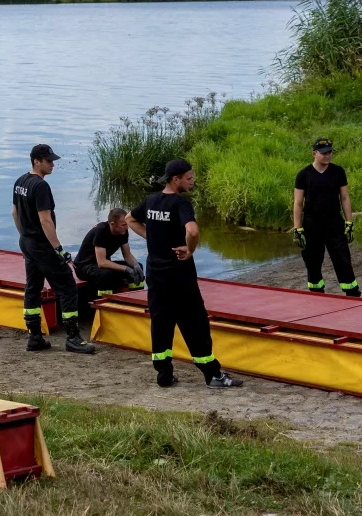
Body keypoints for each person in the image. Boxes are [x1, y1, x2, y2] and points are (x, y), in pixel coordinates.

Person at [128, 158, 242, 389]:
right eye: (189, 178)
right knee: (195, 323)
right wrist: (190, 250)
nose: (193, 181)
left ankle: (164, 375)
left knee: (161, 324)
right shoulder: (180, 204)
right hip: (179, 277)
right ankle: (213, 375)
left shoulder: (151, 201)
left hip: (156, 277)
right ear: (175, 179)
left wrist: (153, 238)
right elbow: (192, 230)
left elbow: (130, 218)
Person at [11, 144, 93, 354]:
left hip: (27, 242)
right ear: (36, 161)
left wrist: (25, 237)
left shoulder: (20, 181)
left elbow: (14, 213)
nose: (52, 164)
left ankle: (35, 337)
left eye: (52, 161)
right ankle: (73, 338)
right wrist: (58, 249)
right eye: (48, 161)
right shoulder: (40, 186)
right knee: (67, 286)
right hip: (42, 244)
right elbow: (45, 220)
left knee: (33, 287)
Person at [292, 137, 360, 297]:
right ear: (314, 153)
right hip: (312, 224)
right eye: (324, 153)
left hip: (334, 223)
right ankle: (317, 293)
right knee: (313, 261)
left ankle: (352, 292)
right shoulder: (304, 175)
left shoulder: (338, 172)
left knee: (343, 258)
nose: (327, 156)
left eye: (330, 152)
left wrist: (349, 222)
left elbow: (344, 198)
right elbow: (298, 203)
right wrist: (298, 228)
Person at [73, 207, 144, 337]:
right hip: (85, 266)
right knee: (106, 274)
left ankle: (135, 306)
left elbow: (127, 256)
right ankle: (103, 312)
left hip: (102, 265)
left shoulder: (123, 232)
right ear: (113, 224)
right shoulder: (101, 231)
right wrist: (126, 269)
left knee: (138, 268)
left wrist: (135, 266)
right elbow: (102, 262)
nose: (126, 227)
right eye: (123, 225)